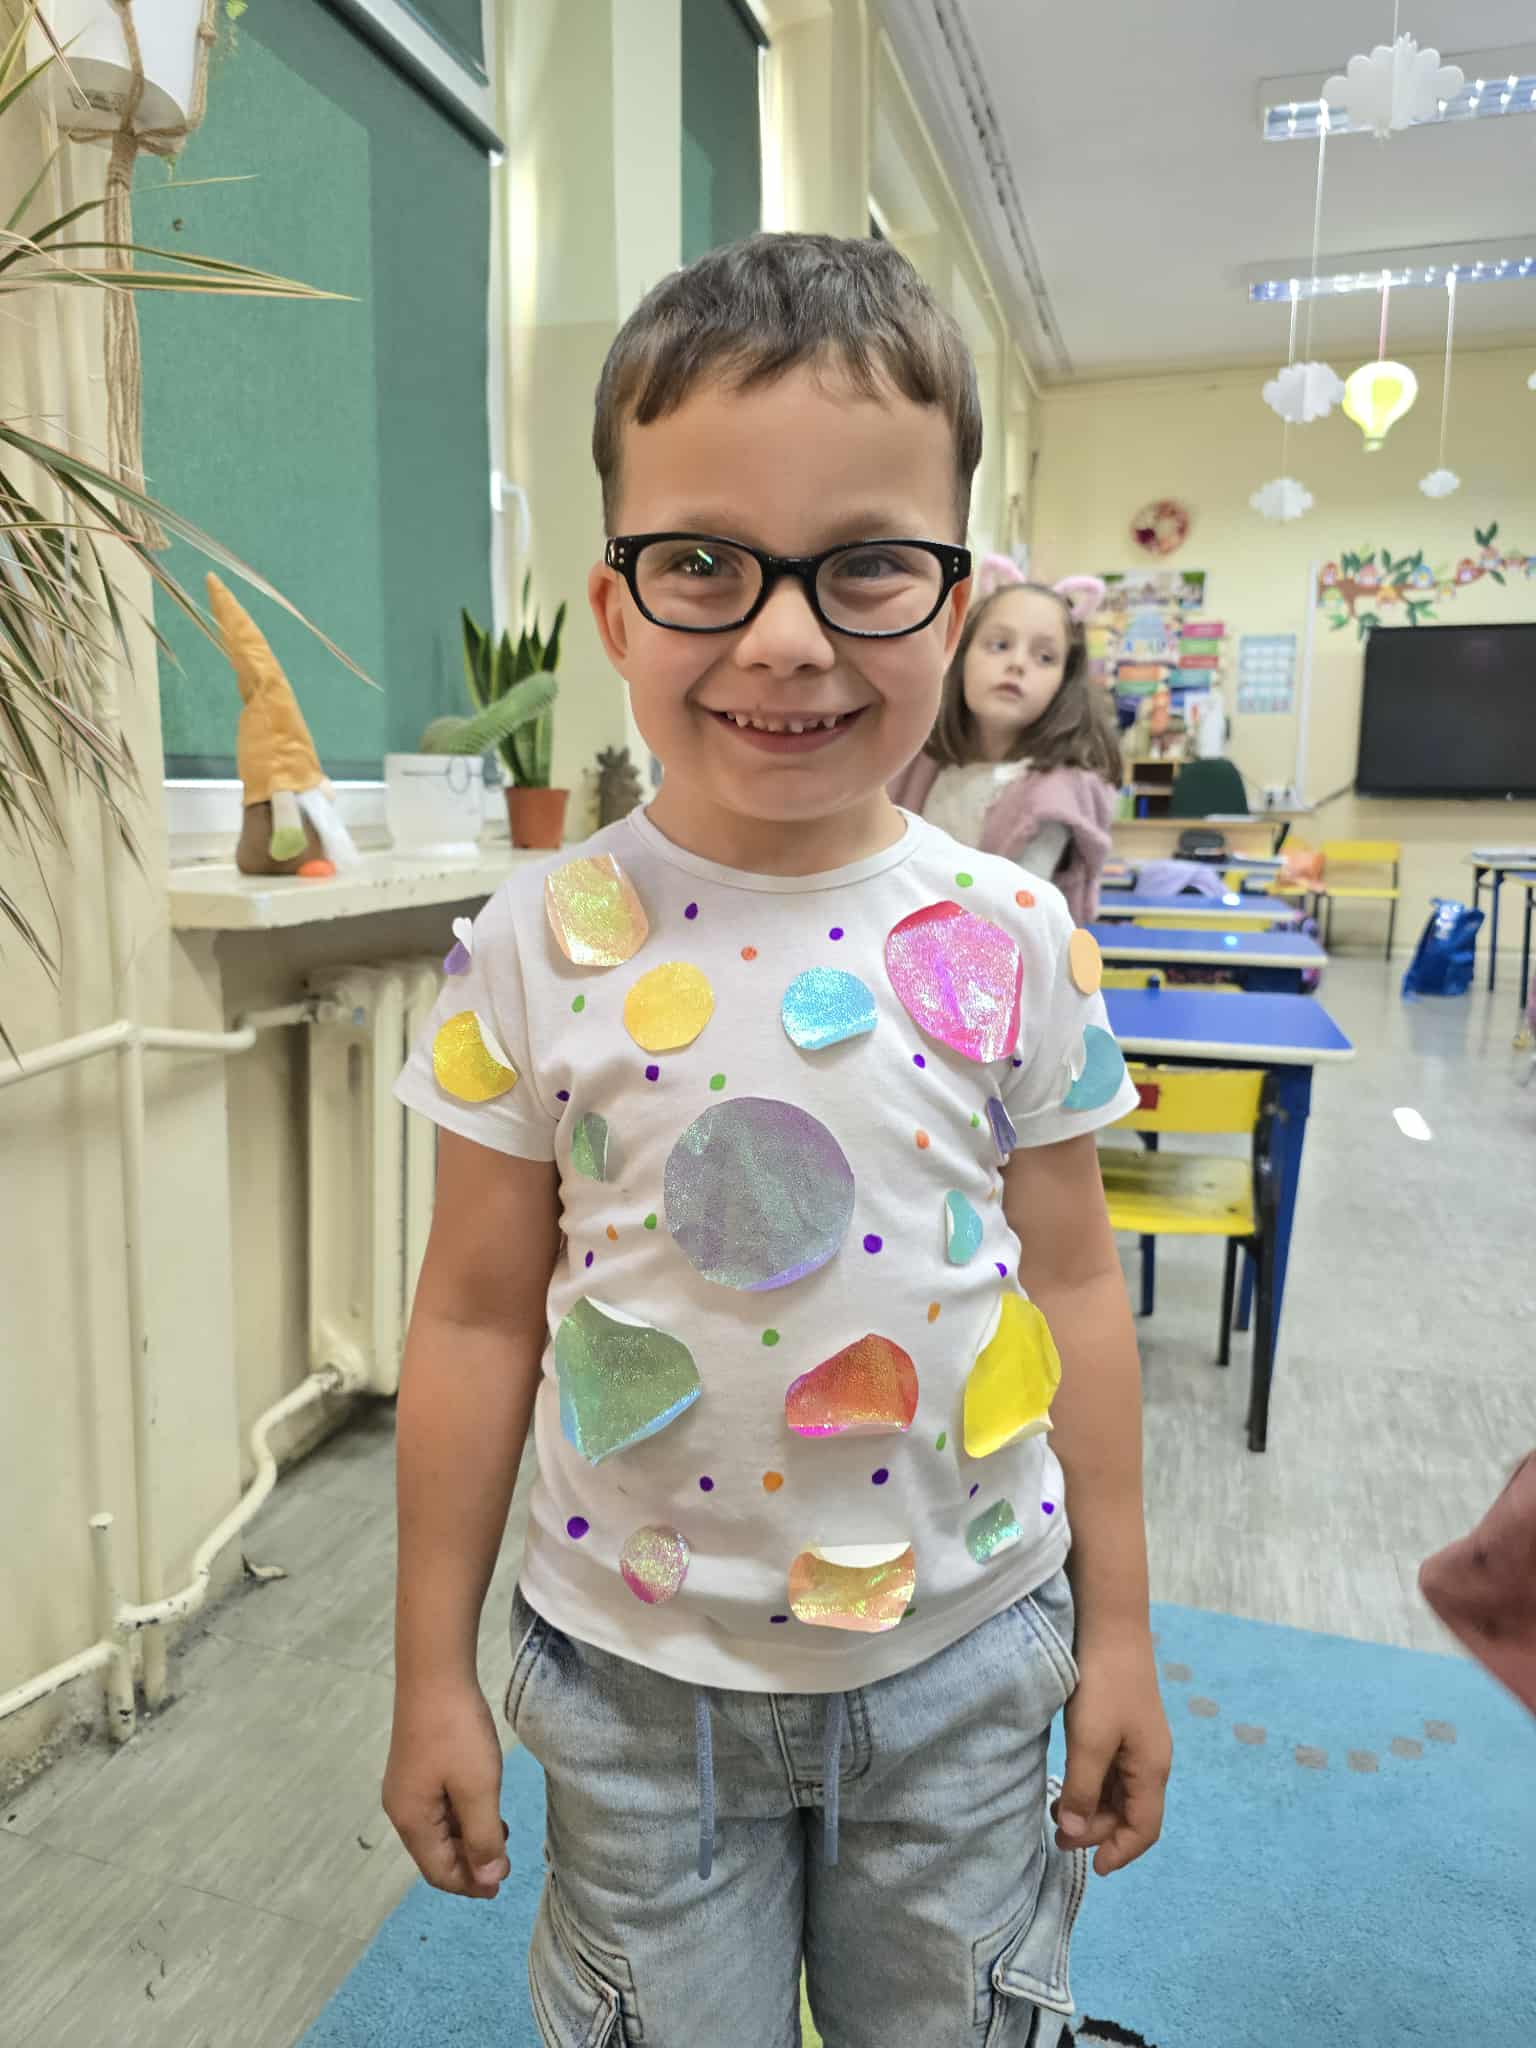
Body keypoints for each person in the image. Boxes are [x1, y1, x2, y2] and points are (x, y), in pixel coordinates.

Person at [384, 231, 1169, 2047]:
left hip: (967, 1659)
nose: (787, 636)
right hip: (631, 1683)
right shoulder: (530, 943)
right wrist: (429, 1666)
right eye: (702, 563)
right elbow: (475, 1317)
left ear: (958, 603)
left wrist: (1123, 1631)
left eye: (868, 563)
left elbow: (1074, 1287)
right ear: (612, 609)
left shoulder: (1013, 932)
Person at [888, 560, 1124, 923]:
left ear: (1064, 681)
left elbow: (1015, 917)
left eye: (1044, 657)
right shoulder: (916, 761)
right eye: (999, 645)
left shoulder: (1059, 793)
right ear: (961, 654)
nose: (1017, 664)